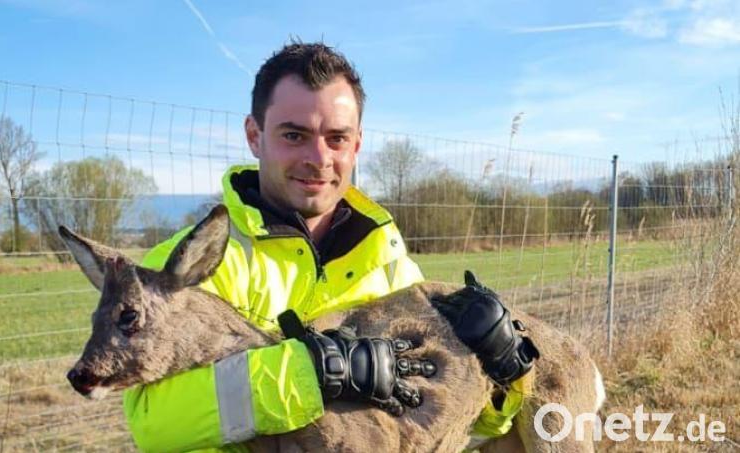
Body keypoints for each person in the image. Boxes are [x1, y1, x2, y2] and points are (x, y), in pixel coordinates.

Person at [124, 42, 535, 453]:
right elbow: (152, 421)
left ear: (356, 145)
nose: (318, 158)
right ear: (254, 135)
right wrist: (312, 373)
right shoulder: (189, 267)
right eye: (294, 135)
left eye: (336, 138)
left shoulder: (391, 264)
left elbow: (445, 427)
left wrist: (500, 380)